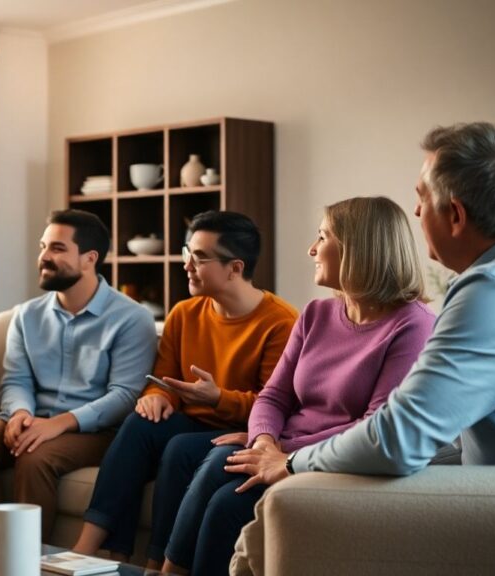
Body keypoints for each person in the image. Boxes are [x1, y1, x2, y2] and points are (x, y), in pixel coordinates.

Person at [231, 123, 495, 575]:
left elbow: (396, 440)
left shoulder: (492, 293)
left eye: (420, 197)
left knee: (288, 495)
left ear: (454, 214)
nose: (415, 212)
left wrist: (293, 461)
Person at [162, 197, 435, 575]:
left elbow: (376, 425)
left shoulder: (412, 325)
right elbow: (274, 395)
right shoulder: (317, 313)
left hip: (334, 461)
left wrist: (284, 452)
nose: (311, 249)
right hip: (284, 449)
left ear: (358, 248)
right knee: (214, 461)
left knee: (227, 503)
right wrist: (262, 441)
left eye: (322, 238)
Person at [71, 211, 298, 567]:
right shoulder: (184, 313)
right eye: (186, 253)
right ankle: (87, 553)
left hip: (238, 430)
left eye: (200, 257)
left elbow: (273, 403)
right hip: (193, 420)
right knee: (139, 425)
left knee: (178, 448)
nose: (187, 265)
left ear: (235, 268)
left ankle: (157, 562)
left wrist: (216, 397)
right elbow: (161, 379)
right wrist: (156, 397)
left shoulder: (281, 323)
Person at [0, 209, 158, 541]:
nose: (44, 257)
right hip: (37, 419)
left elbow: (124, 395)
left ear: (89, 258)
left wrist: (58, 425)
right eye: (43, 246)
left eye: (57, 249)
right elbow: (16, 379)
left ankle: (28, 561)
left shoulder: (132, 318)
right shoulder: (26, 315)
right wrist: (20, 412)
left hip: (97, 432)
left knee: (37, 455)